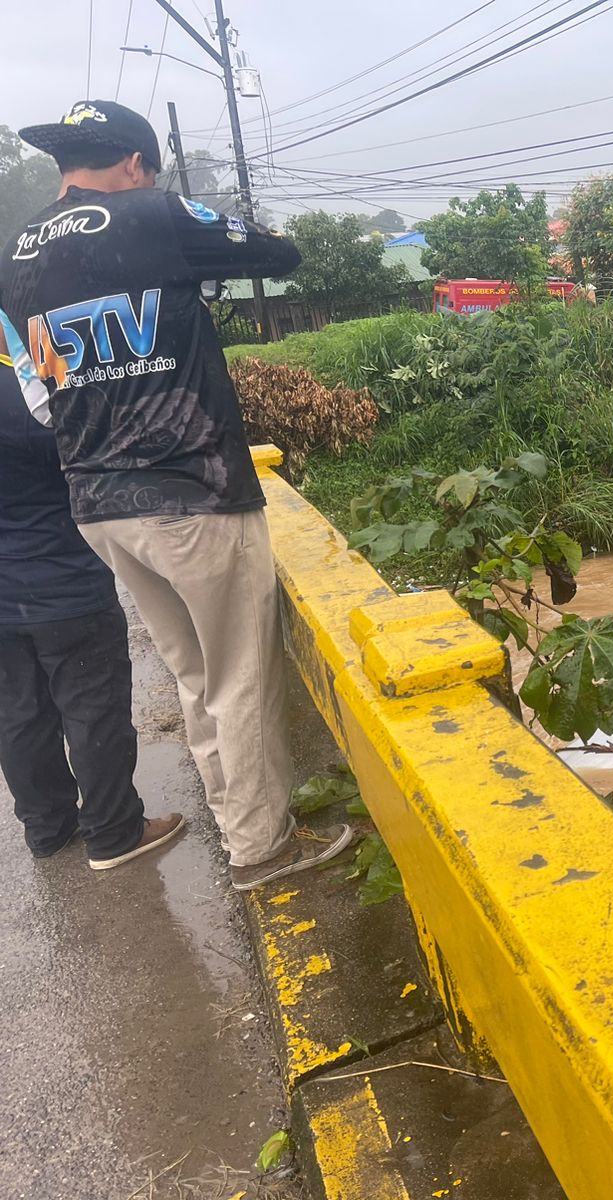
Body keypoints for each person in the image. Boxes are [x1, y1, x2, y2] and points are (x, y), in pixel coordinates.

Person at [0, 100, 350, 891]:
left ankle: (239, 824)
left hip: (97, 504)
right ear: (133, 164)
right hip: (190, 488)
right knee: (238, 678)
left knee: (195, 677)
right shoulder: (150, 214)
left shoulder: (13, 255)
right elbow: (280, 254)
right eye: (145, 173)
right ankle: (262, 850)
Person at [0, 330, 183, 867]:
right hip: (62, 579)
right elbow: (88, 439)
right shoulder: (34, 355)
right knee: (91, 705)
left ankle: (47, 829)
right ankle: (114, 833)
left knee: (18, 711)